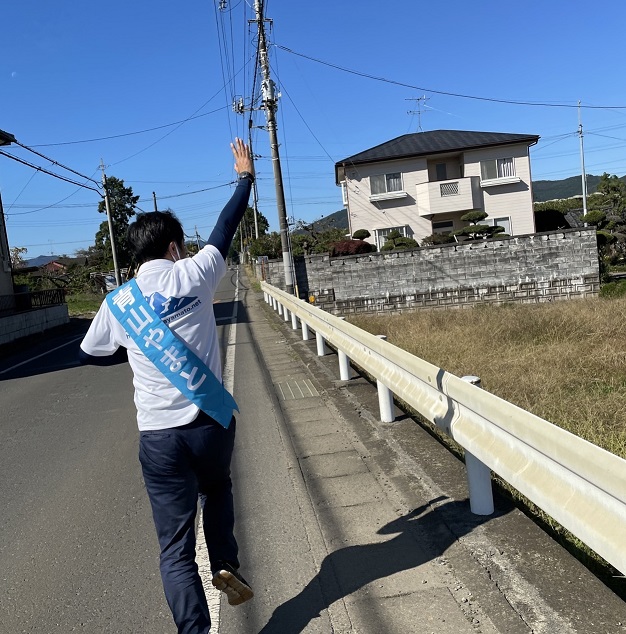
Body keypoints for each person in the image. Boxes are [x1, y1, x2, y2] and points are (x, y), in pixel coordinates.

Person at [79, 138, 255, 634]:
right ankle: (225, 561)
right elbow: (225, 226)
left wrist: (135, 348)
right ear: (175, 247)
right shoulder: (194, 274)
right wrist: (244, 177)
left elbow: (88, 353)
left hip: (159, 437)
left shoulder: (118, 303)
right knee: (217, 487)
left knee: (175, 549)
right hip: (209, 424)